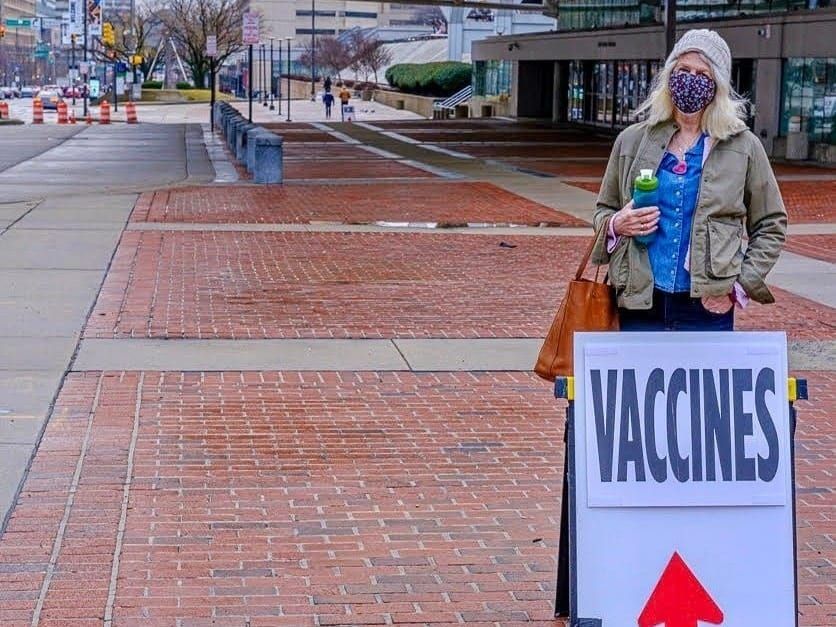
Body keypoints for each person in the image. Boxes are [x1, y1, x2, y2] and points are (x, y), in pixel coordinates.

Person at [592, 29, 787, 331]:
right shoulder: (631, 141)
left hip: (708, 306)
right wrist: (616, 224)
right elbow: (603, 210)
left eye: (702, 73)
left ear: (717, 85)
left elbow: (771, 224)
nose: (690, 79)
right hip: (639, 300)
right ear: (669, 75)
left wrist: (741, 285)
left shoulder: (743, 146)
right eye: (683, 70)